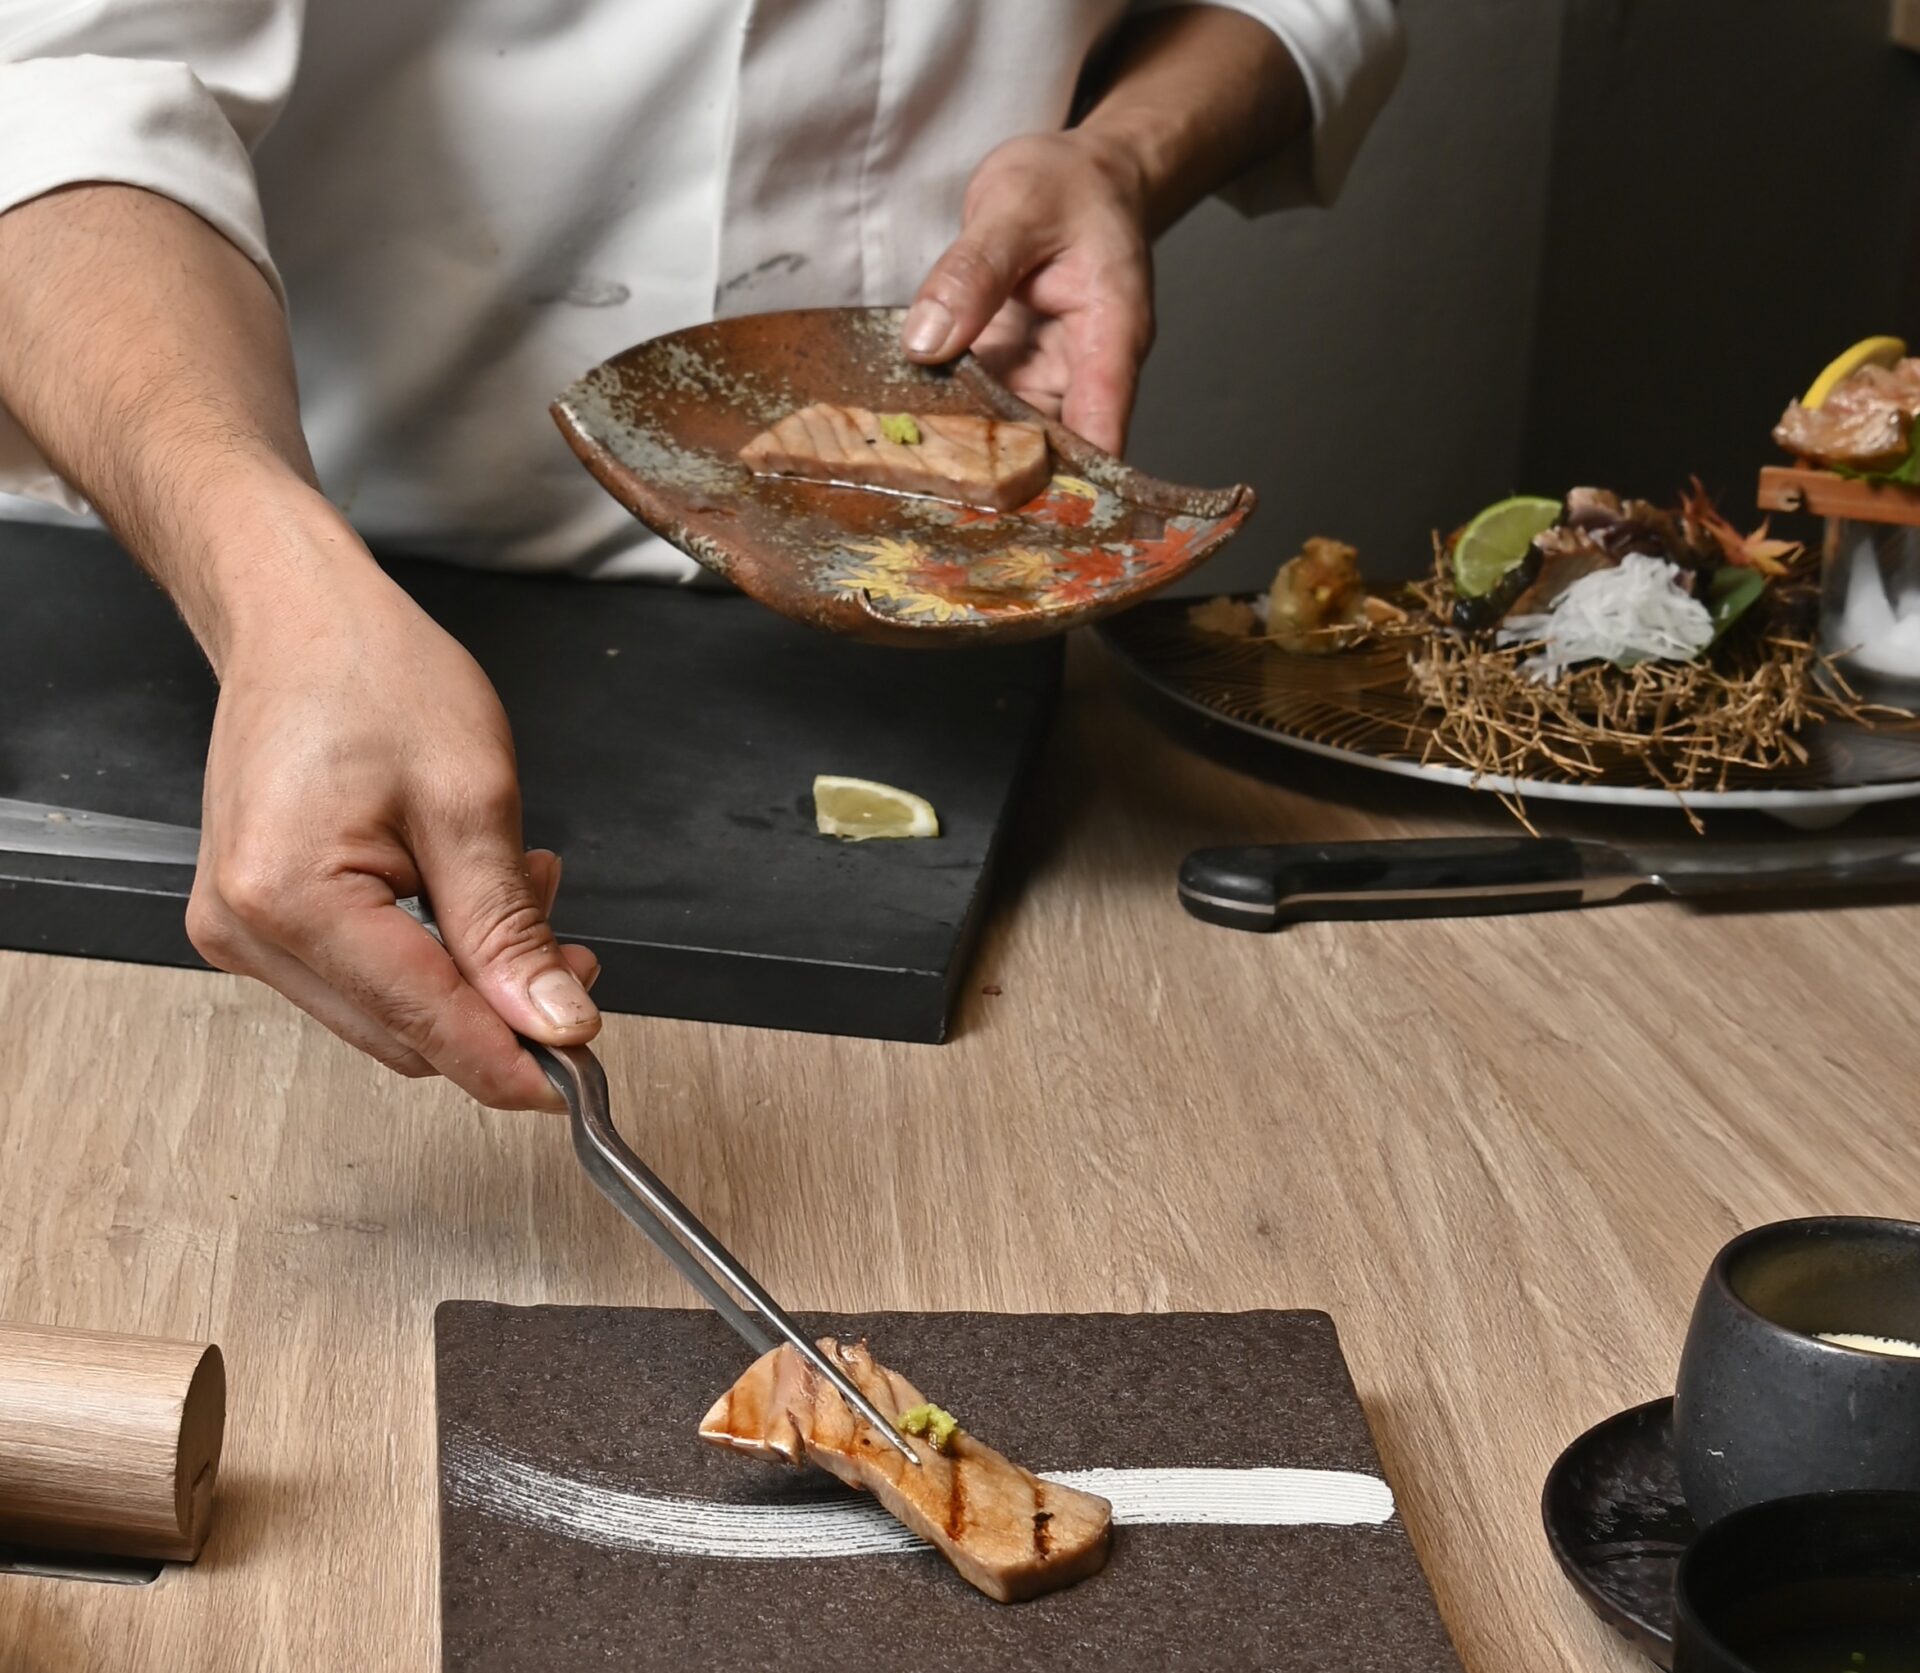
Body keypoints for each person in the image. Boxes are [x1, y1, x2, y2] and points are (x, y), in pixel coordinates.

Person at [0, 3, 1401, 1109]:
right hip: (267, 577)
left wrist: (1125, 155)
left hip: (938, 645)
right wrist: (272, 582)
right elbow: (62, 84)